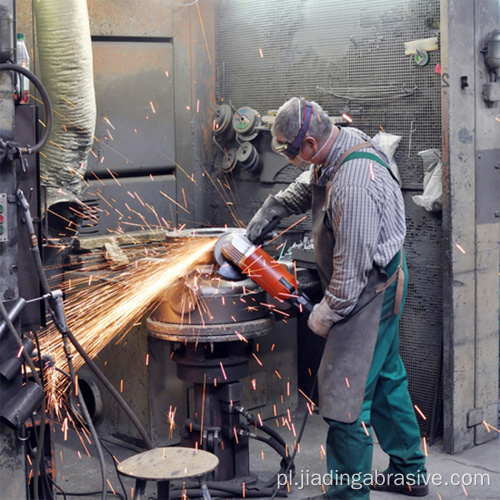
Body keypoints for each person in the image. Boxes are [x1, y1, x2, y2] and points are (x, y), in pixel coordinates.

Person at [246, 97, 428, 499]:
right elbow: (309, 185)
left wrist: (324, 314)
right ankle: (409, 472)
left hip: (367, 291)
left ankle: (347, 494)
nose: (294, 160)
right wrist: (272, 209)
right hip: (381, 279)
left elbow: (351, 272)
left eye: (292, 152)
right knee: (384, 378)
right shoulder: (340, 145)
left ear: (309, 143)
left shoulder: (355, 181)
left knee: (344, 394)